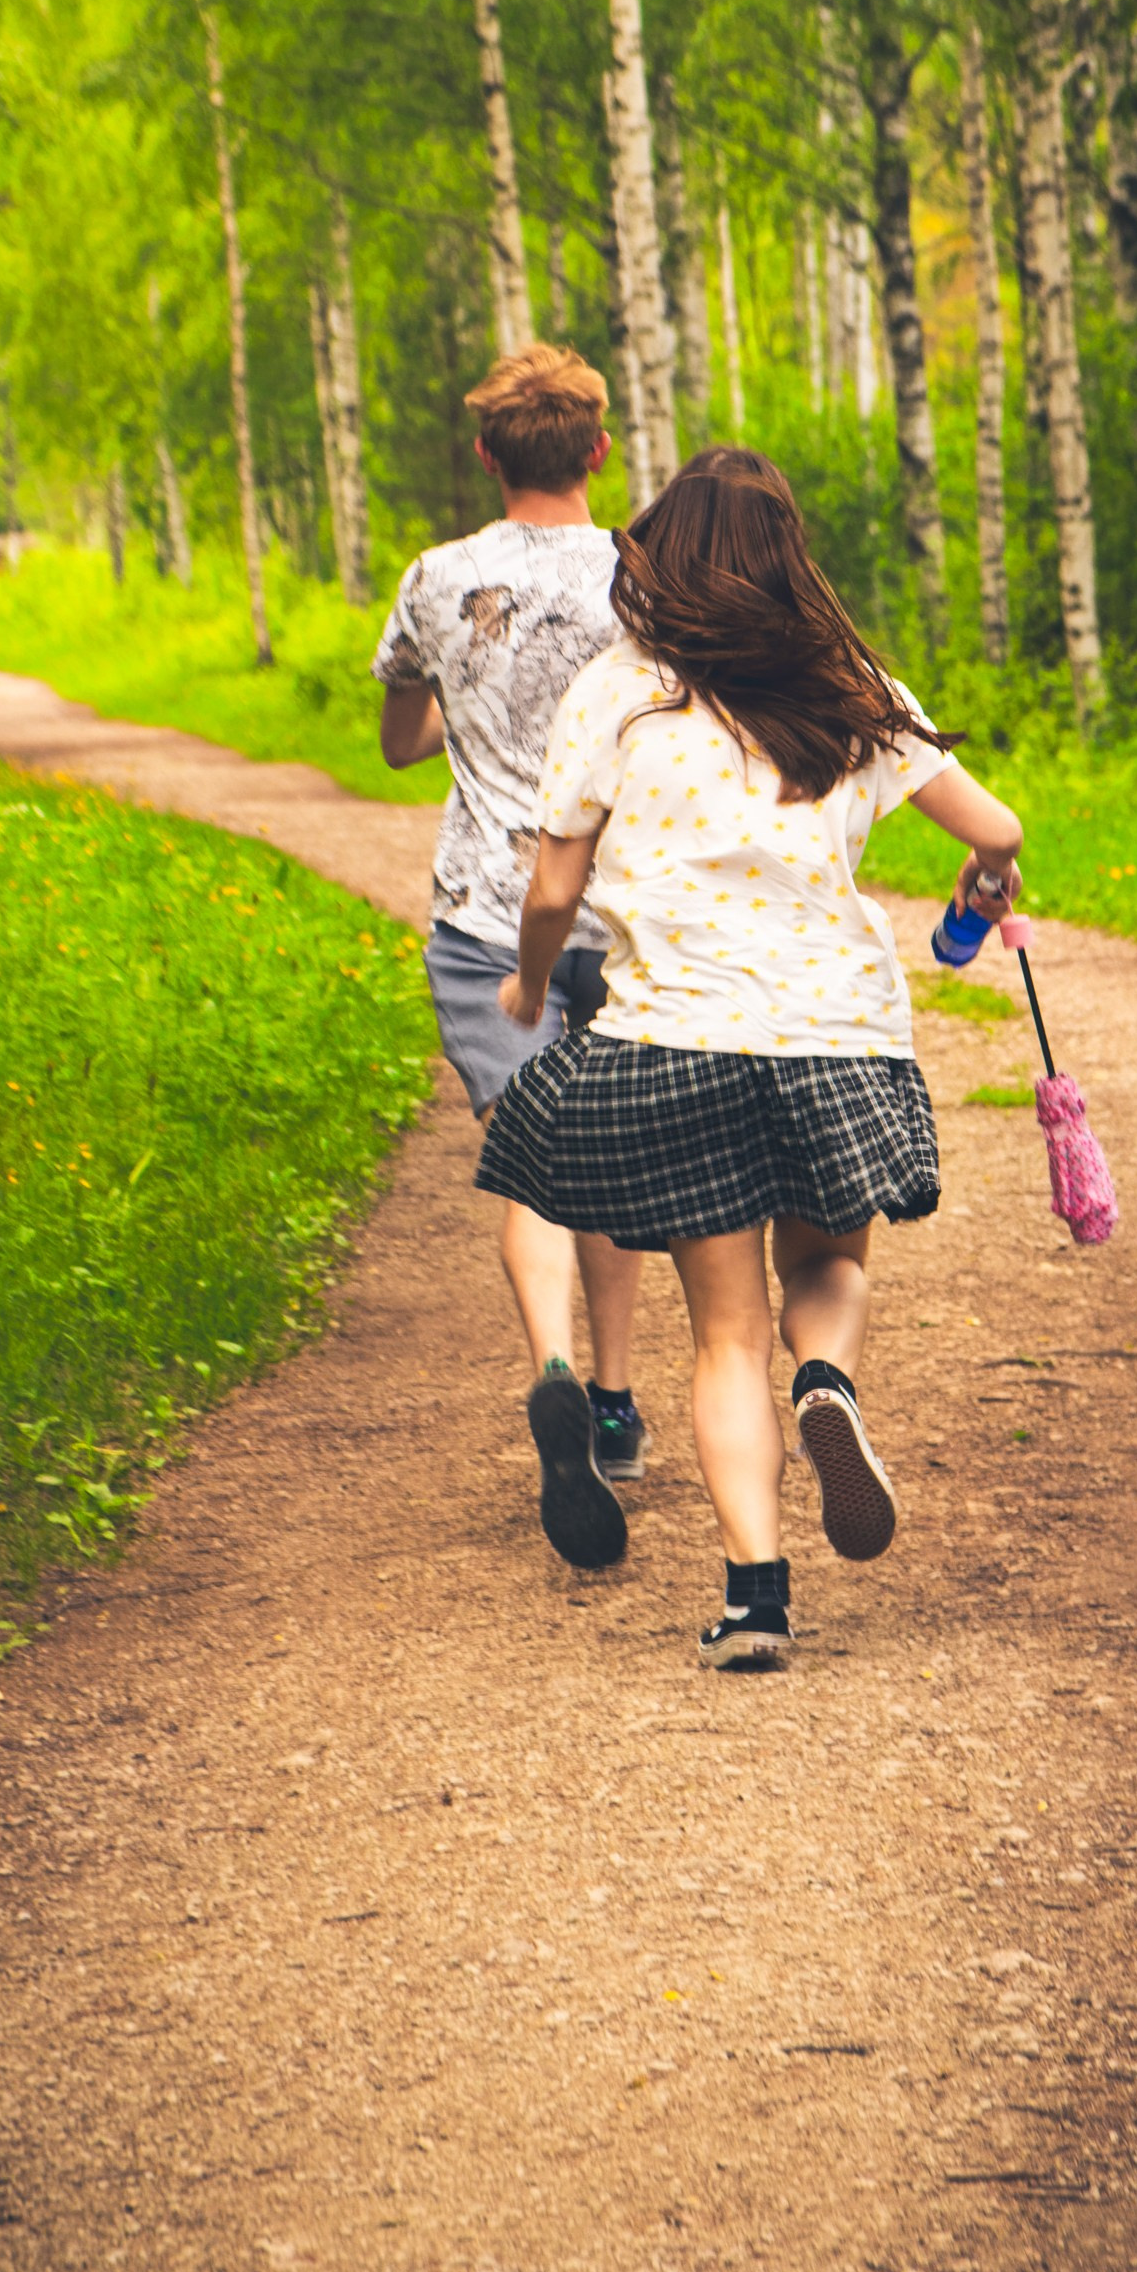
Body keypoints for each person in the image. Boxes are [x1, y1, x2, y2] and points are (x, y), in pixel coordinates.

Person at [479, 447, 1024, 1669]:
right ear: (789, 558)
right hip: (833, 1036)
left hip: (675, 1044)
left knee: (722, 1334)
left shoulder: (618, 692)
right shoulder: (850, 686)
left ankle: (756, 1598)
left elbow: (554, 884)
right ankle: (826, 1381)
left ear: (661, 552)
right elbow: (998, 831)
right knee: (826, 1265)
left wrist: (529, 975)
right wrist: (984, 884)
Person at [373, 341, 649, 1572]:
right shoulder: (646, 577)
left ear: (486, 456)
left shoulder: (437, 579)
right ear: (598, 450)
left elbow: (399, 738)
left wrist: (466, 700)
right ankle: (615, 1400)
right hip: (626, 917)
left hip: (488, 922)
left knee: (532, 1156)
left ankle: (548, 1364)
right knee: (618, 1162)